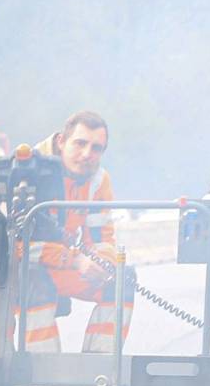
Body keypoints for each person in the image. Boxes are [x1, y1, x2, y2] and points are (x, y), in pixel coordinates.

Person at [23, 109, 131, 354]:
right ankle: (43, 378)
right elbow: (12, 246)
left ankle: (99, 369)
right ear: (61, 141)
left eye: (96, 148)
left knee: (121, 280)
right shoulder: (26, 171)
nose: (87, 154)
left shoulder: (98, 180)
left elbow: (103, 237)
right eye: (80, 143)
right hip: (8, 273)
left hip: (59, 265)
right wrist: (74, 260)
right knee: (37, 281)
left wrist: (103, 264)